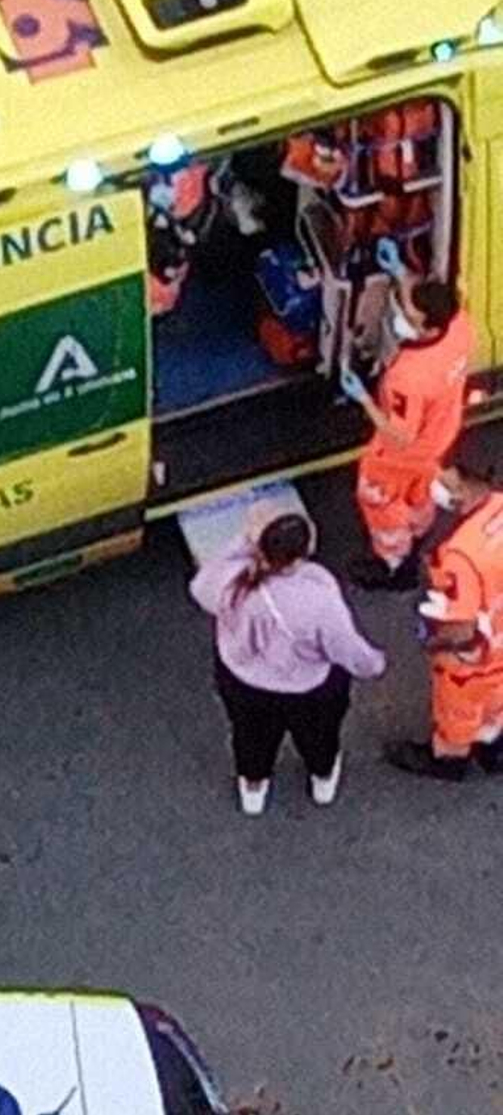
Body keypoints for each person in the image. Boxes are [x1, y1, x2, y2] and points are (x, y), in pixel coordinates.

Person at [189, 505, 385, 815]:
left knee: (250, 737)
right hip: (308, 688)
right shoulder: (318, 593)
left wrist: (245, 541)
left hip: (243, 682)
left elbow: (200, 588)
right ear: (305, 550)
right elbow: (343, 646)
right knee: (319, 736)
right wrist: (373, 664)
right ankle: (322, 780)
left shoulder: (233, 581)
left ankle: (253, 787)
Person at [343, 266, 474, 590]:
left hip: (398, 457)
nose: (402, 313)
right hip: (438, 439)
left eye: (409, 314)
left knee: (381, 504)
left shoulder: (408, 377)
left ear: (426, 326)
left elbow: (401, 435)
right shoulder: (459, 326)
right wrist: (402, 274)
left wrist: (364, 400)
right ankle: (416, 537)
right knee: (419, 495)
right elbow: (422, 306)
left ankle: (393, 565)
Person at [386, 464, 503, 783]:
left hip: (473, 665)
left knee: (457, 715)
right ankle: (494, 749)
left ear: (462, 487)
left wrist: (433, 644)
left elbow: (461, 630)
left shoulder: (460, 556)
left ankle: (449, 760)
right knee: (497, 707)